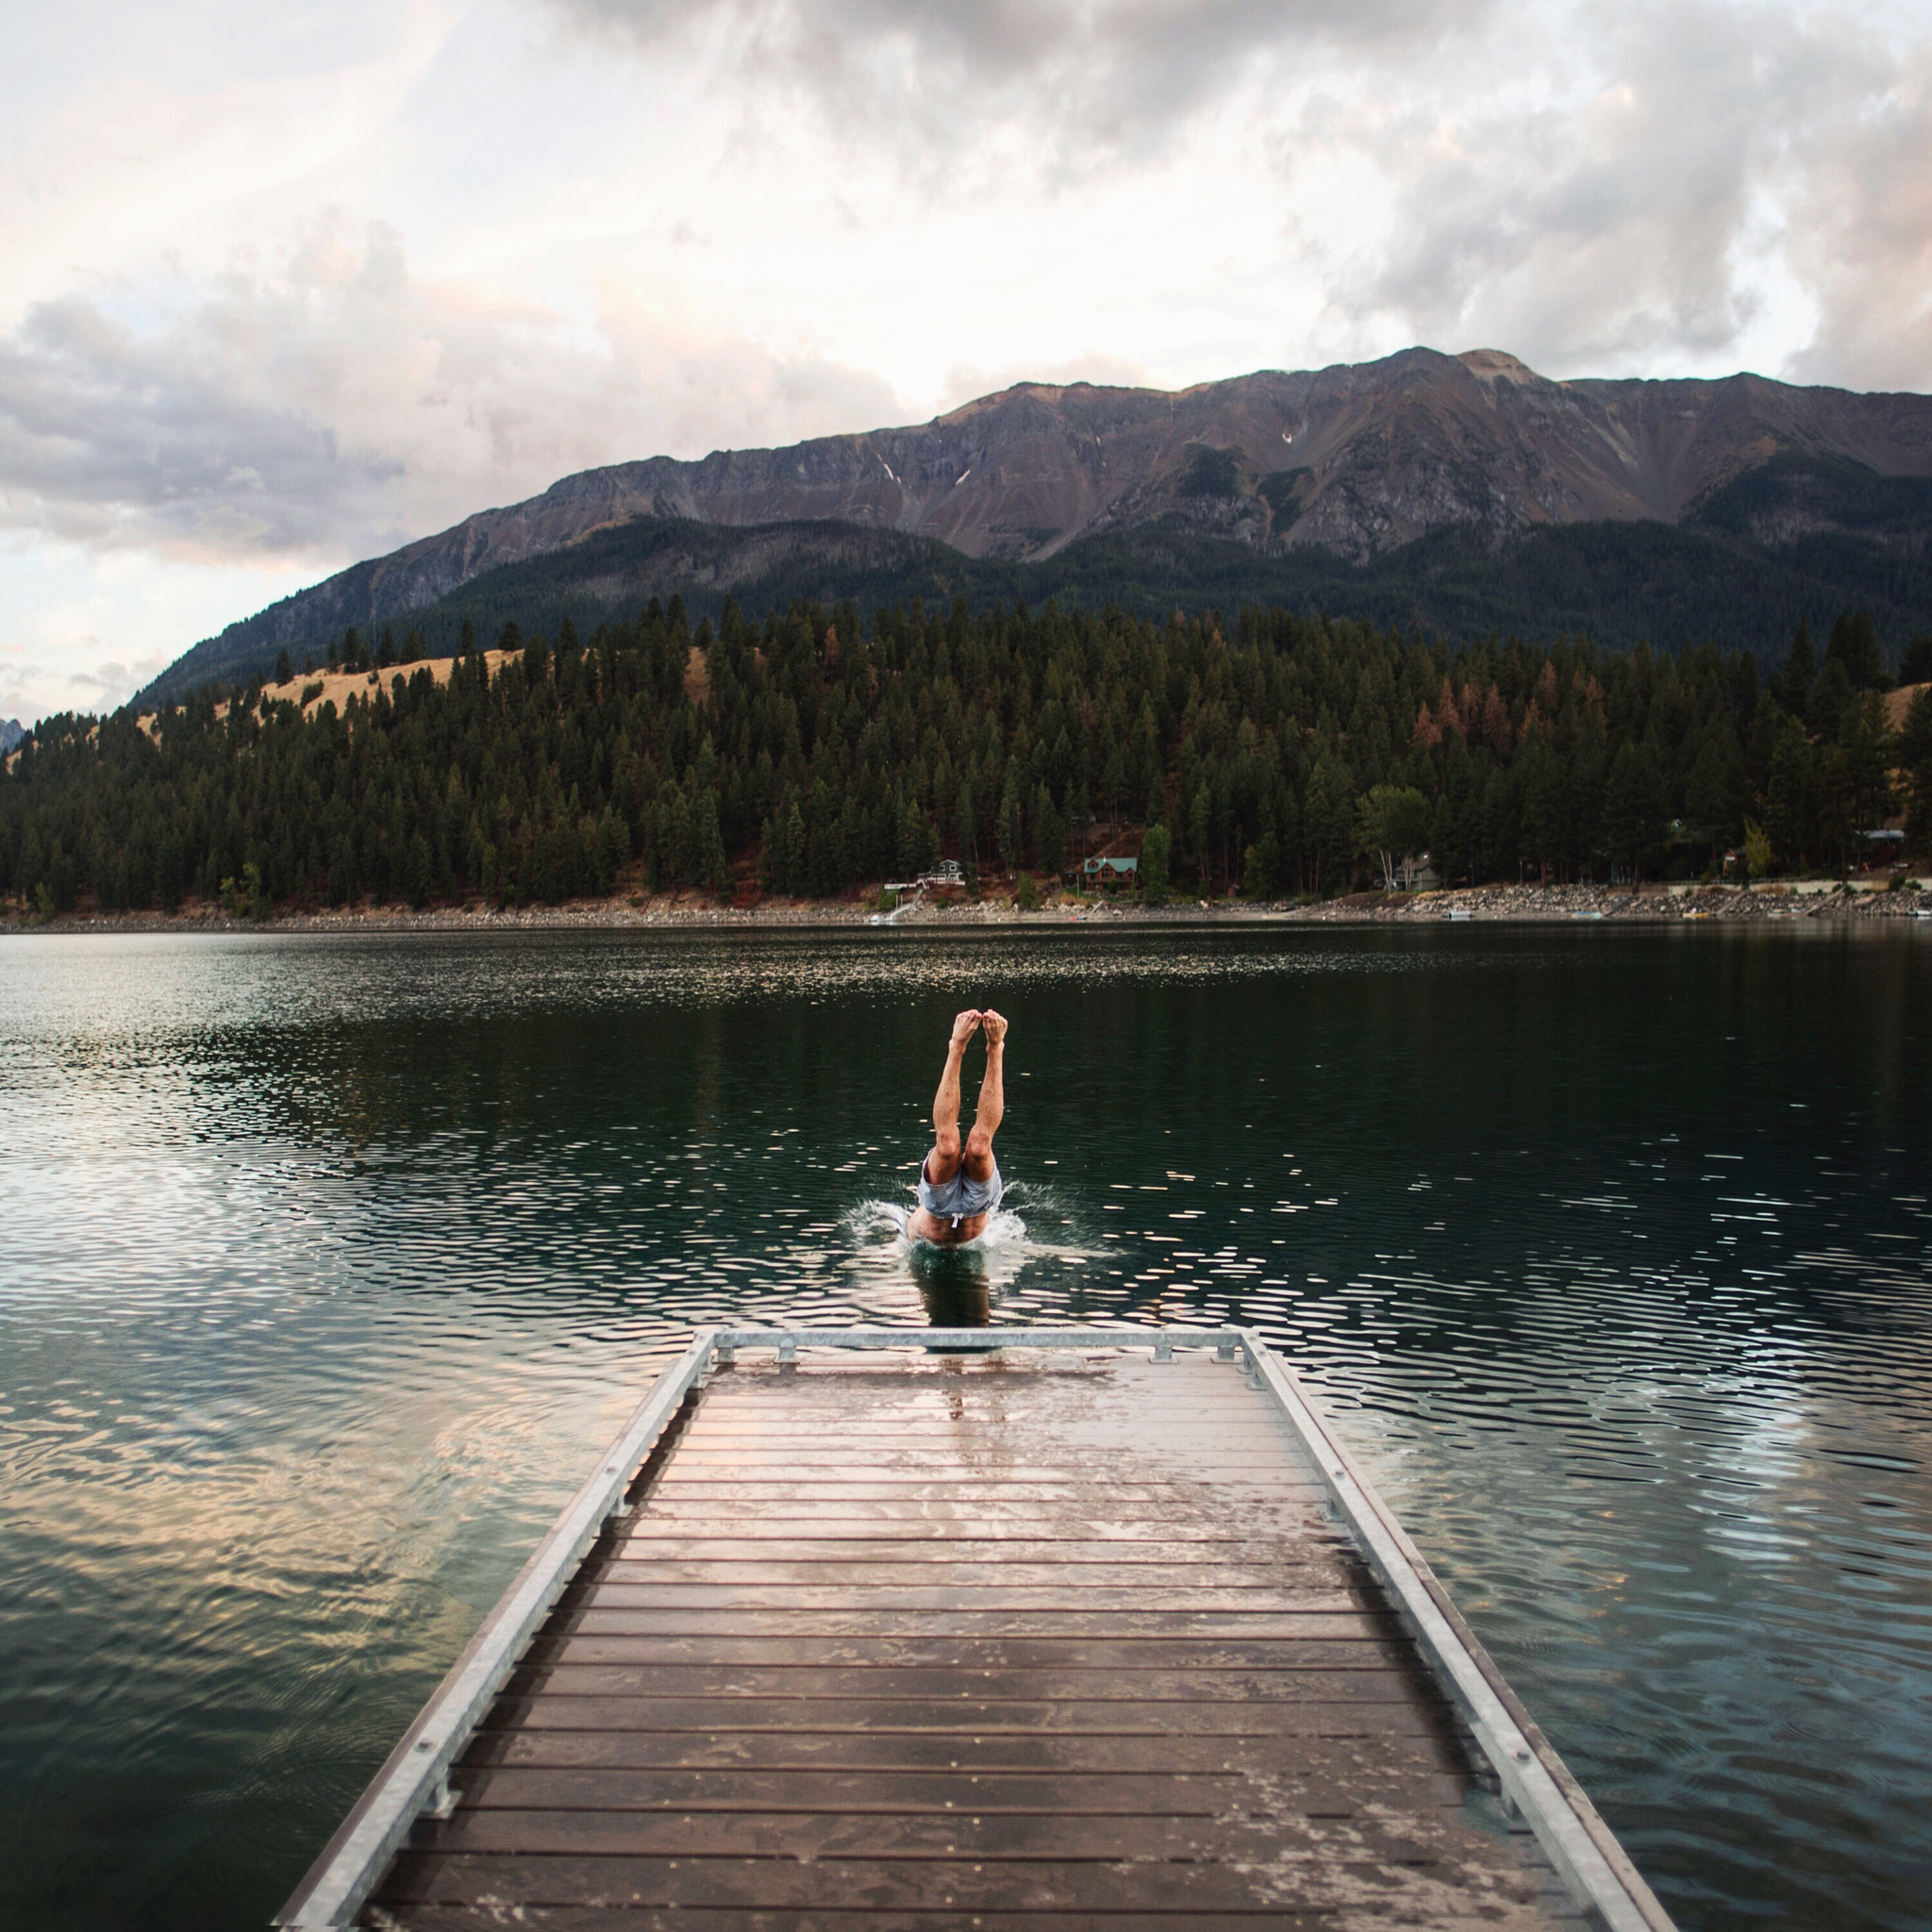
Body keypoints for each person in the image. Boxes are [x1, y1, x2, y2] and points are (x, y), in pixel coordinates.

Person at [909, 1008, 1008, 1245]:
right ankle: (959, 1045)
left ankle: (994, 1047)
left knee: (979, 1146)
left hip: (969, 1212)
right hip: (933, 1223)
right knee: (948, 1147)